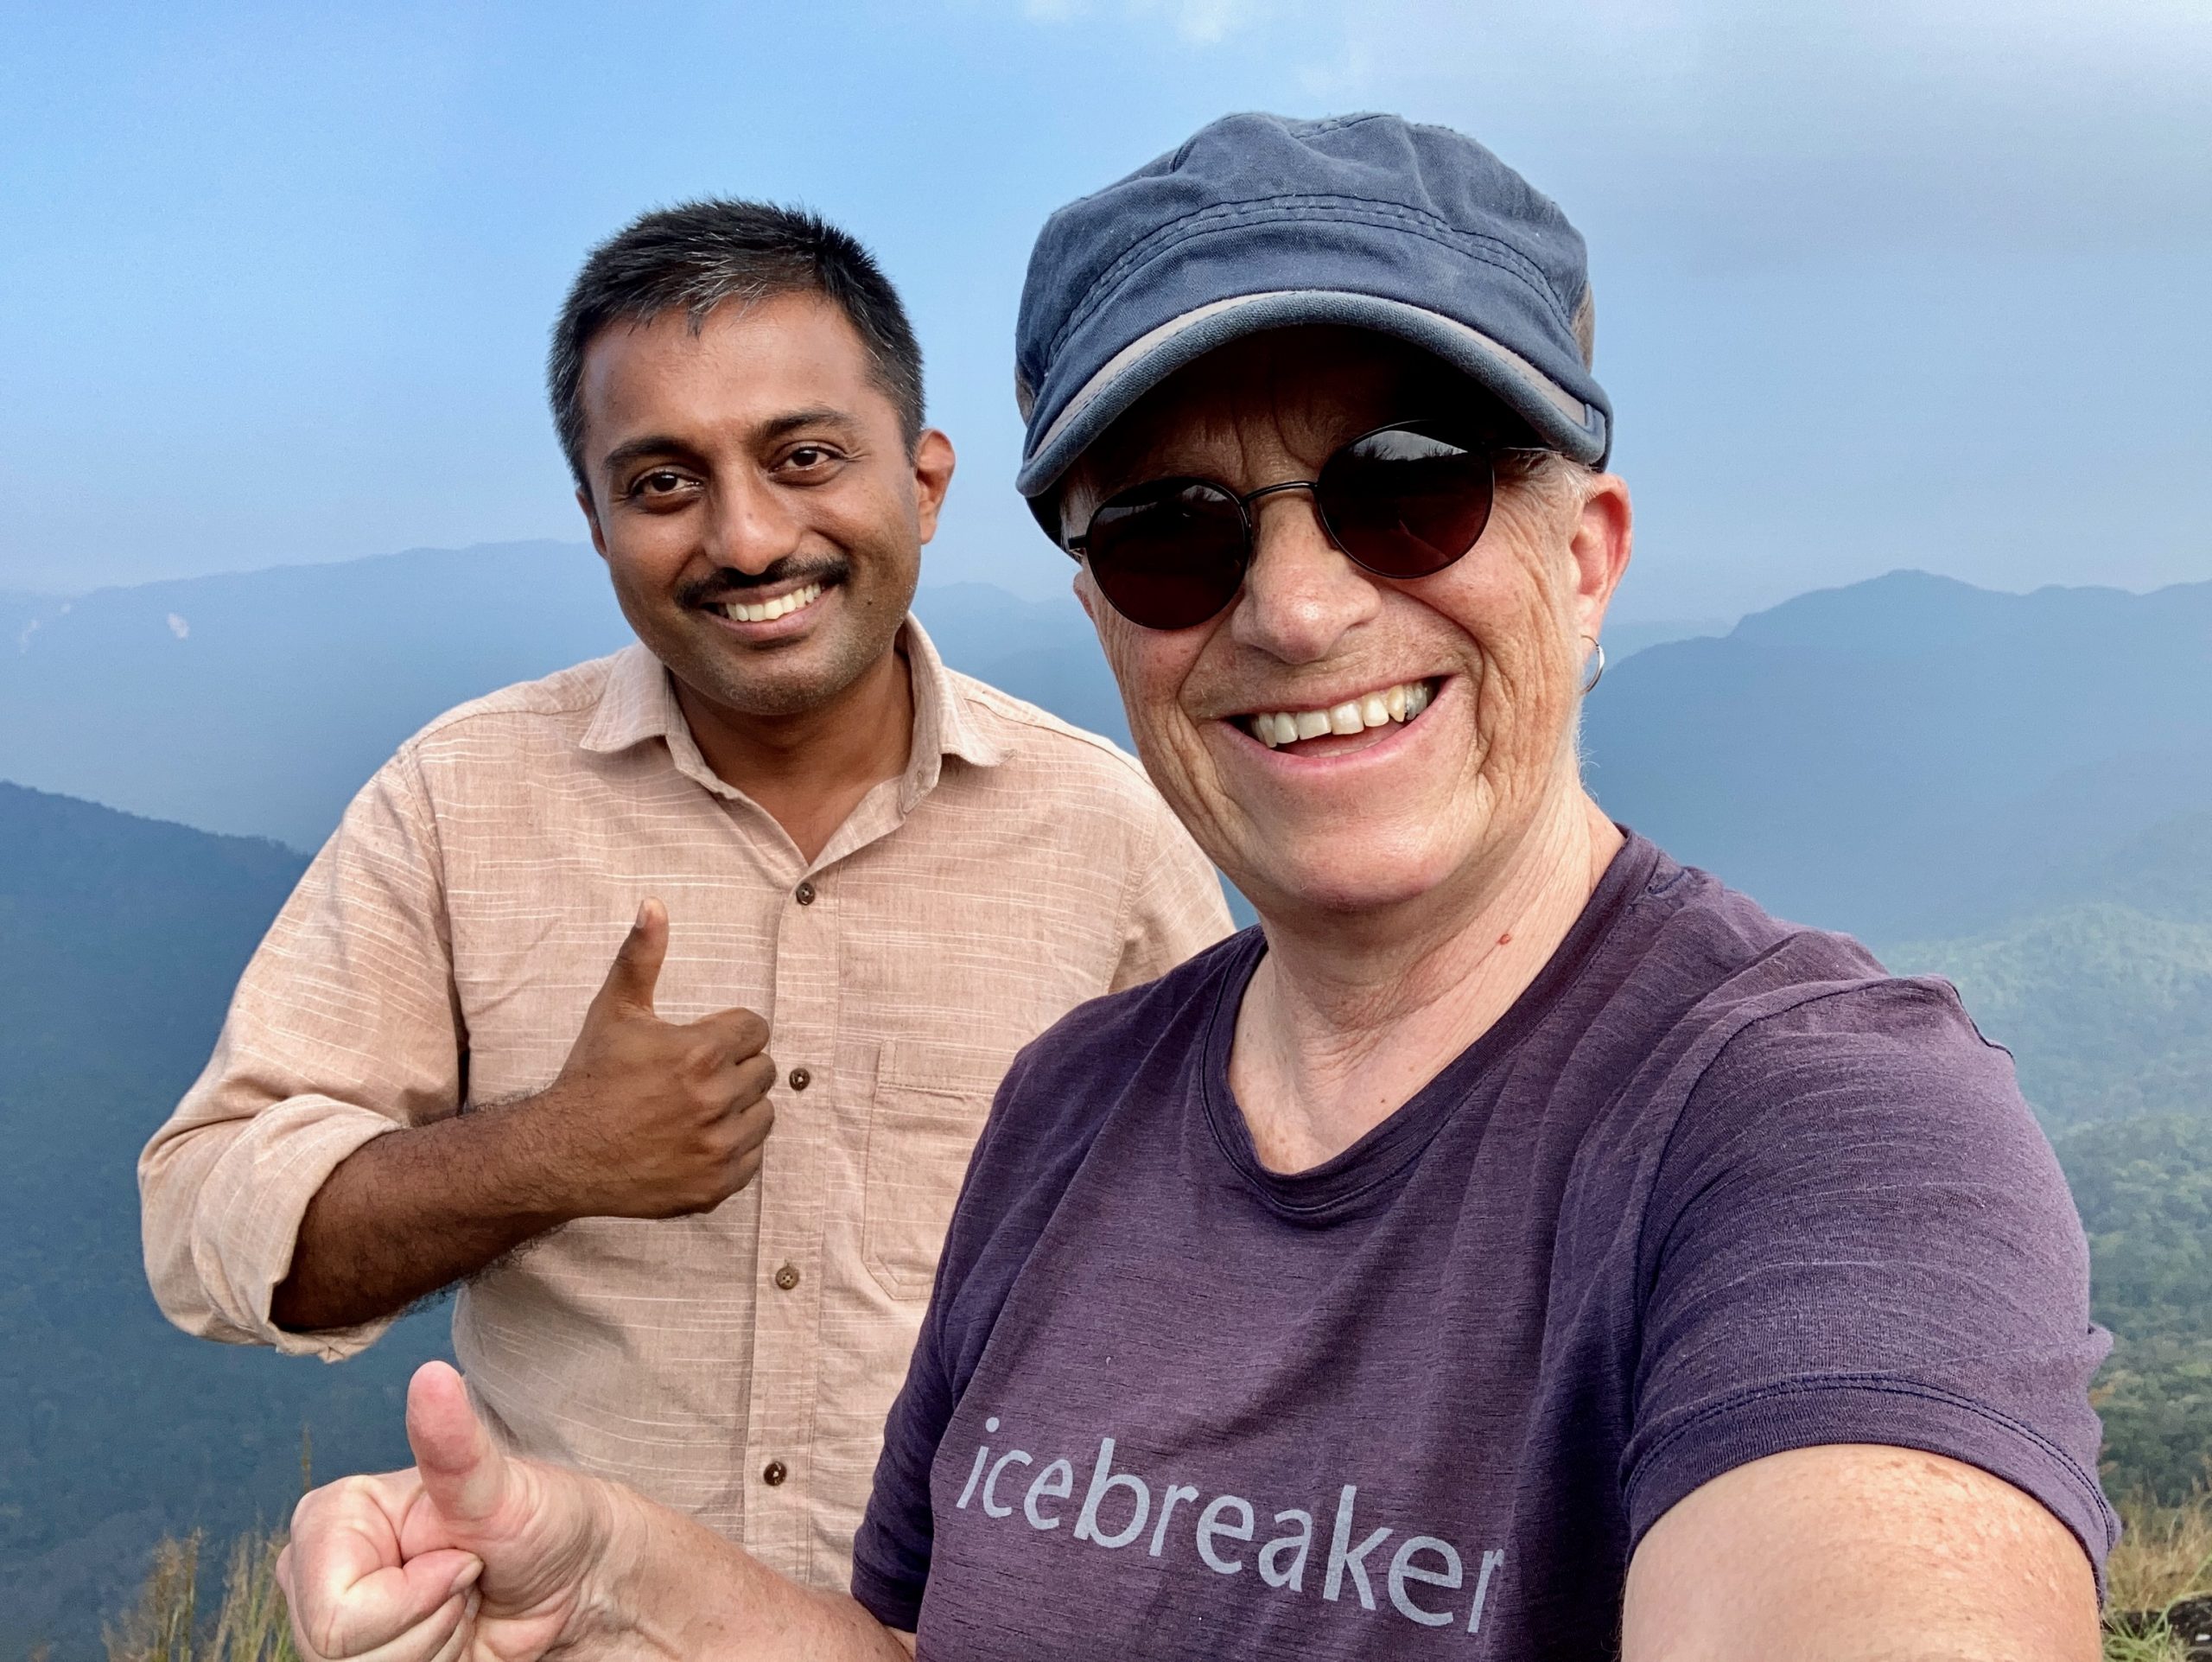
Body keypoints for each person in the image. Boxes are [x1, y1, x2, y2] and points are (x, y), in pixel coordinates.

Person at [274, 116, 2115, 1661]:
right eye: (1173, 532)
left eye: (1408, 486)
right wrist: (612, 1566)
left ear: (1586, 556)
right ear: (1107, 616)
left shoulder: (1820, 1124)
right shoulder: (1072, 1100)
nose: (1295, 608)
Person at [138, 199, 1230, 1588]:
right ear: (597, 526)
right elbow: (204, 1222)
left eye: (805, 457)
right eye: (663, 483)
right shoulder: (460, 802)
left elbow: (1238, 1271)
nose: (749, 537)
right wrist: (548, 1157)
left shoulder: (1109, 836)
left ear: (926, 482)